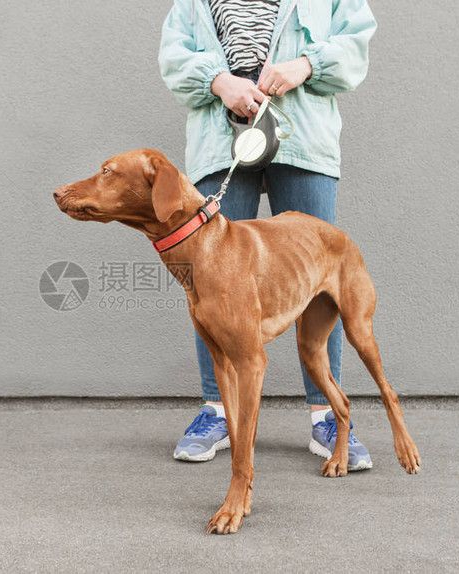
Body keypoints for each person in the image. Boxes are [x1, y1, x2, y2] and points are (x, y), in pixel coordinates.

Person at [158, 0, 378, 468]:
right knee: (210, 286)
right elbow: (173, 55)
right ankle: (217, 409)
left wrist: (307, 65)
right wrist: (219, 82)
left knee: (321, 282)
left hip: (305, 142)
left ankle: (326, 416)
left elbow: (355, 42)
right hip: (221, 145)